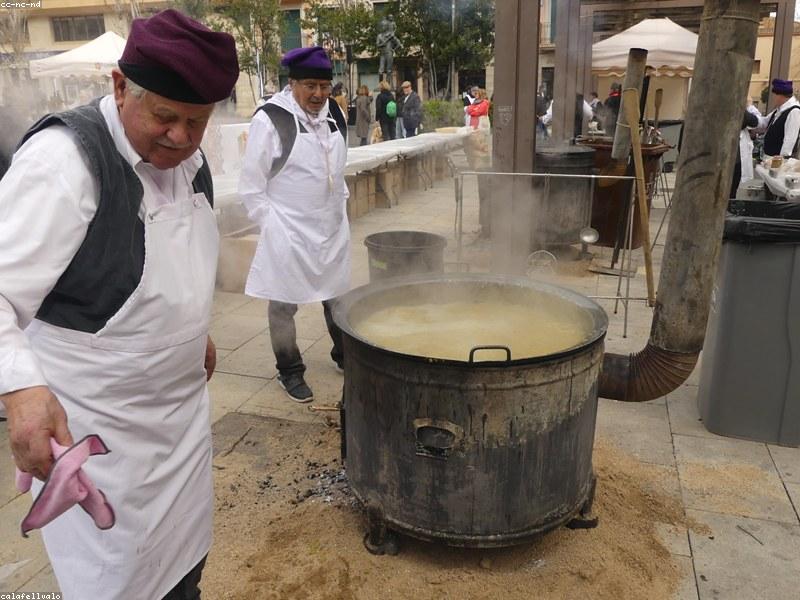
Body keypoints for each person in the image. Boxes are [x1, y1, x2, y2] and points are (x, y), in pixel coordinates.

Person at [0, 9, 238, 599]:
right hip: (102, 447)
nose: (180, 137)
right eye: (164, 116)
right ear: (118, 85)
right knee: (121, 583)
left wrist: (188, 332)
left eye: (196, 121)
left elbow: (162, 274)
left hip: (178, 436)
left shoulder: (191, 165)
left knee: (184, 569)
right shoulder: (65, 161)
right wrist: (21, 389)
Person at [238, 46, 350, 403]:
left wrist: (339, 210)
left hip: (330, 229)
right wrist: (272, 229)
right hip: (287, 231)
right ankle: (289, 369)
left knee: (337, 298)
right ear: (293, 84)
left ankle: (345, 355)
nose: (318, 94)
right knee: (284, 303)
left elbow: (337, 170)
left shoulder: (335, 114)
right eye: (310, 86)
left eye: (324, 86)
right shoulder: (271, 119)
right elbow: (251, 187)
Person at [757, 78, 800, 158]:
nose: (773, 98)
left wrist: (781, 160)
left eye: (774, 95)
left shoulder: (794, 112)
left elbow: (789, 140)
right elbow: (764, 122)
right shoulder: (779, 111)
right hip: (769, 159)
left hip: (778, 162)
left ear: (780, 95)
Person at [731, 110, 761, 198]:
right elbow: (754, 121)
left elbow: (755, 121)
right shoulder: (737, 109)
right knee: (731, 186)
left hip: (734, 157)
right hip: (733, 156)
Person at [377, 15, 403, 80]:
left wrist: (393, 49)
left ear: (387, 27)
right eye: (382, 26)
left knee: (389, 70)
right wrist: (382, 44)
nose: (383, 27)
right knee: (381, 70)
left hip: (389, 53)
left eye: (384, 26)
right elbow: (377, 45)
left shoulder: (391, 36)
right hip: (382, 54)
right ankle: (381, 85)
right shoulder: (379, 36)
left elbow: (399, 44)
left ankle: (387, 86)